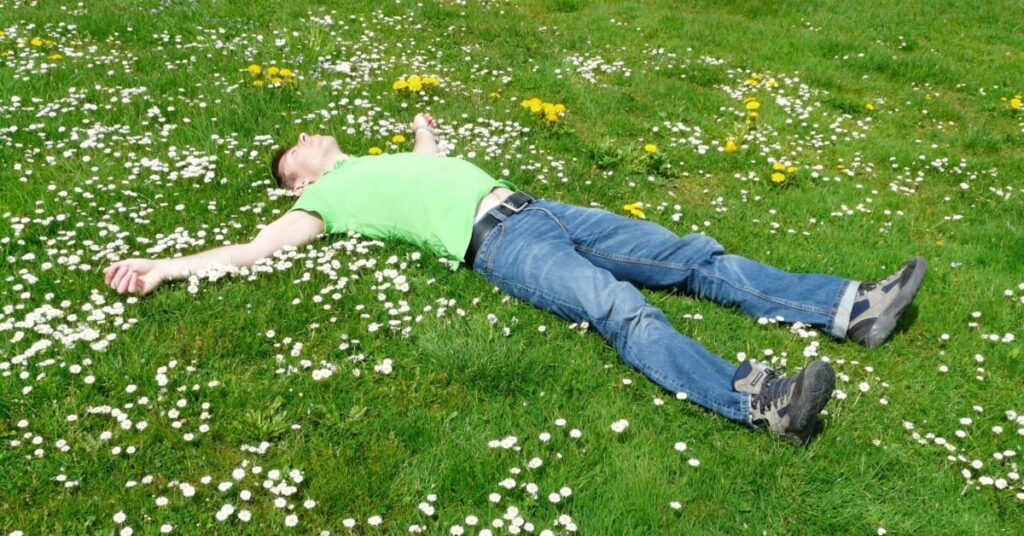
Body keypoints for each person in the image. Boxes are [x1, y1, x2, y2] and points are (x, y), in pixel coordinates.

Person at [102, 112, 927, 446]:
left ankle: (849, 307)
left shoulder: (376, 161)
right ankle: (761, 400)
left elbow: (428, 164)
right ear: (300, 183)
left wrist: (425, 131)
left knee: (689, 254)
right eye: (296, 155)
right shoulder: (327, 202)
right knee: (619, 308)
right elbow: (251, 252)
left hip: (542, 208)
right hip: (497, 244)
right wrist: (165, 266)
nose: (310, 138)